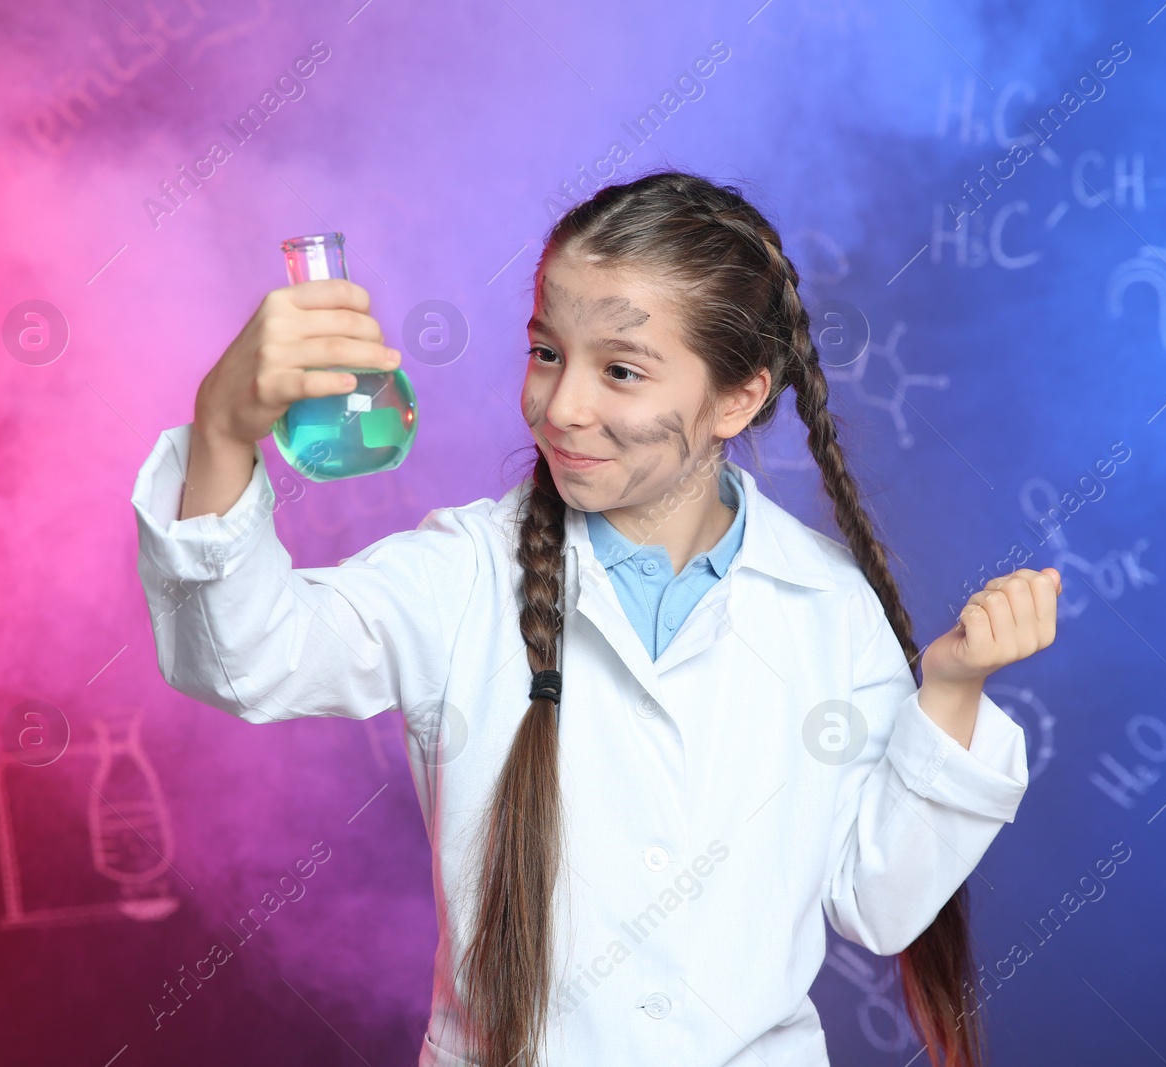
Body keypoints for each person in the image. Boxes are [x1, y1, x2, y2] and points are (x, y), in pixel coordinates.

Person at [131, 169, 1062, 1067]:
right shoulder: (463, 572)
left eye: (620, 370)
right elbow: (246, 658)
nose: (560, 405)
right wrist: (222, 429)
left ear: (739, 396)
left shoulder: (824, 606)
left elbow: (880, 901)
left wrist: (951, 692)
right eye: (546, 353)